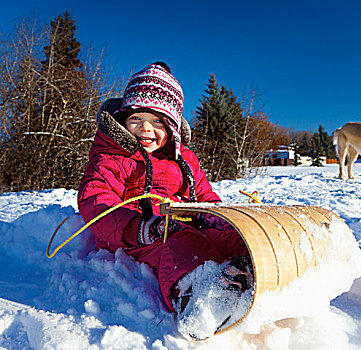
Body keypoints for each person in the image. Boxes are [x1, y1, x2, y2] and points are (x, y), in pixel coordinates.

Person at [77, 62, 253, 339]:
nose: (145, 128)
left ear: (172, 126)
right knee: (183, 244)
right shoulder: (112, 156)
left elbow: (205, 193)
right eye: (136, 118)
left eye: (157, 121)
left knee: (232, 236)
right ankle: (199, 300)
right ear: (123, 119)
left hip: (185, 218)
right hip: (140, 235)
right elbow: (96, 199)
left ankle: (253, 274)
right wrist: (138, 226)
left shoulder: (184, 159)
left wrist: (217, 216)